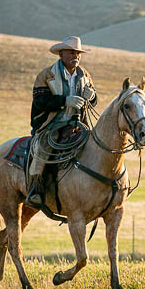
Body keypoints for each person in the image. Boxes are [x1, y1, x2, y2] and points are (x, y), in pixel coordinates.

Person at [26, 36, 98, 208]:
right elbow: (40, 101)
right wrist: (65, 101)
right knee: (43, 146)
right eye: (72, 52)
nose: (76, 56)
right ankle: (36, 188)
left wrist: (92, 96)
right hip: (51, 124)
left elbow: (94, 100)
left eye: (78, 53)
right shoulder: (46, 75)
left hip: (79, 123)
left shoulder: (85, 75)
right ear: (61, 54)